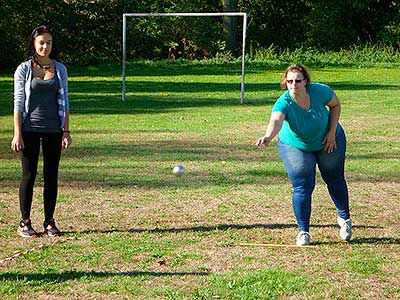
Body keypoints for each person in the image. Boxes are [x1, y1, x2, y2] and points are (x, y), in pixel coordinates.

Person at [256, 64, 352, 246]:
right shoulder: (284, 102)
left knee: (334, 177)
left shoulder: (320, 91)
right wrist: (268, 136)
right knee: (302, 186)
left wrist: (331, 133)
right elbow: (276, 120)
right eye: (290, 81)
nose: (293, 84)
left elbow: (335, 105)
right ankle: (303, 232)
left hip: (328, 140)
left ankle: (344, 219)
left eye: (298, 81)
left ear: (306, 81)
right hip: (296, 145)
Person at [11, 25, 72, 237]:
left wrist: (66, 131)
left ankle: (49, 222)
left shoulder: (60, 69)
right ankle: (25, 222)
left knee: (51, 176)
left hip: (53, 130)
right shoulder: (24, 69)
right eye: (41, 43)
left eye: (49, 43)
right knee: (29, 174)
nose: (45, 46)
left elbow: (65, 101)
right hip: (29, 129)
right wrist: (17, 133)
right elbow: (18, 103)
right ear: (34, 44)